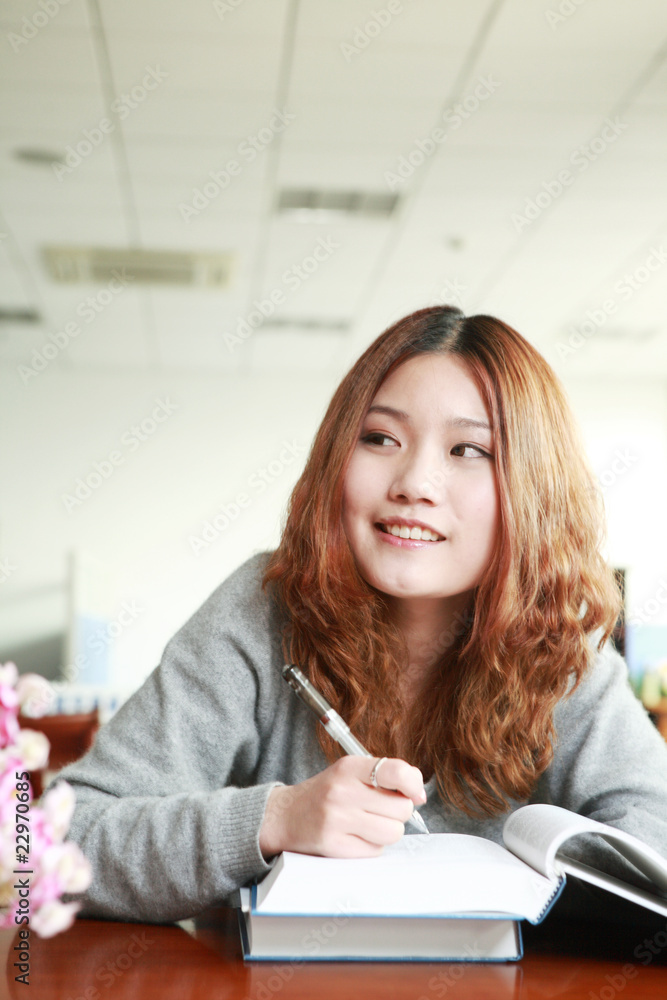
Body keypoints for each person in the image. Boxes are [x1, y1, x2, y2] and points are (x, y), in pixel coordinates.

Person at [59, 306, 667, 924]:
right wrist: (275, 819)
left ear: (531, 488)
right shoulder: (262, 606)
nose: (414, 483)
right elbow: (60, 842)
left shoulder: (560, 638)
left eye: (468, 448)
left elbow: (657, 832)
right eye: (380, 438)